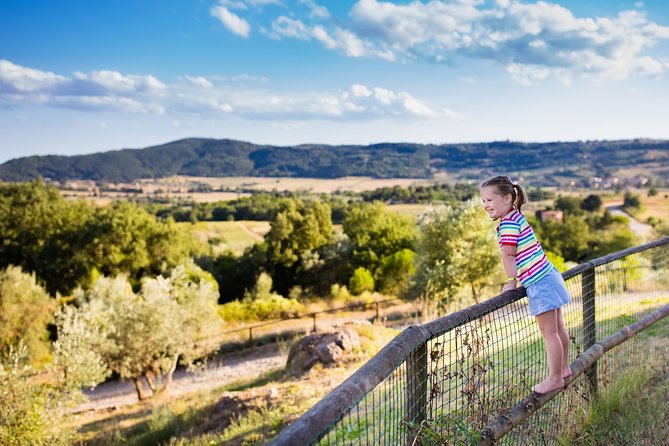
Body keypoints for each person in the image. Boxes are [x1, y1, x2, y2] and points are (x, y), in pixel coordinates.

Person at [480, 175, 572, 395]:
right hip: (549, 273)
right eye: (483, 201)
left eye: (489, 200)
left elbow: (509, 256)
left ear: (507, 198)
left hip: (540, 281)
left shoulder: (509, 224)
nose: (485, 205)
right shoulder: (516, 218)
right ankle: (565, 368)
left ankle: (555, 378)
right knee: (558, 328)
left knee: (549, 332)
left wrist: (512, 281)